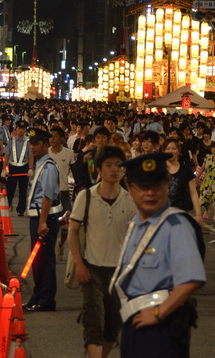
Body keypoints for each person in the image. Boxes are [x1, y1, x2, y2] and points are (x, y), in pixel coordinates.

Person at [109, 152, 206, 358]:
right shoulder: (136, 223)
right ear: (129, 187)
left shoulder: (175, 226)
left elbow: (192, 278)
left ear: (167, 183)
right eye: (143, 187)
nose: (150, 193)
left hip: (161, 328)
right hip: (134, 323)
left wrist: (159, 313)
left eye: (157, 185)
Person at [69, 146, 138, 358]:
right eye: (108, 165)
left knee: (112, 329)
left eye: (119, 164)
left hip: (119, 274)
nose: (114, 169)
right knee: (94, 324)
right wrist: (79, 264)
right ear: (99, 168)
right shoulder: (86, 196)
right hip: (92, 270)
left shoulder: (130, 200)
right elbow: (73, 231)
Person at [25, 127, 62, 312]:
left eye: (36, 144)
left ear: (45, 145)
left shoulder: (48, 167)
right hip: (39, 217)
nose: (32, 147)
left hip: (45, 218)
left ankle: (46, 299)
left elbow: (47, 197)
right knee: (38, 260)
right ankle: (38, 295)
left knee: (44, 260)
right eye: (31, 144)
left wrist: (42, 222)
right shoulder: (40, 164)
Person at [49, 125, 76, 256]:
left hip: (64, 193)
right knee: (50, 224)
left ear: (61, 138)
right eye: (51, 136)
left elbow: (75, 172)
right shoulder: (46, 152)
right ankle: (50, 248)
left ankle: (61, 244)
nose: (52, 139)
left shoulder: (69, 154)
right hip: (49, 195)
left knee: (65, 224)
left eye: (55, 136)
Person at [163, 138, 202, 224]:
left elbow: (193, 192)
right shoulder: (159, 170)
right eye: (168, 148)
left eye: (174, 148)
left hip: (181, 214)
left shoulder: (186, 170)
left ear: (179, 151)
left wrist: (198, 214)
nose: (171, 151)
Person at [4, 120, 32, 217]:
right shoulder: (11, 141)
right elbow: (7, 155)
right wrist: (4, 169)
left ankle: (21, 209)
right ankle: (6, 207)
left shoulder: (28, 142)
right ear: (16, 129)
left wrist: (31, 168)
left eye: (23, 129)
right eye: (19, 128)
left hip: (24, 167)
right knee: (10, 189)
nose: (20, 131)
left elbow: (30, 156)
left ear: (25, 130)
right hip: (12, 167)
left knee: (23, 190)